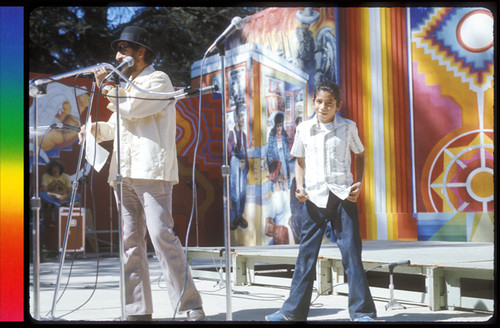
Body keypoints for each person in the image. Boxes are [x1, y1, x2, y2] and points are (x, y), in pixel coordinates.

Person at [78, 26, 204, 321]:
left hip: (151, 170)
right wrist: (97, 128)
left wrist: (107, 88)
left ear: (141, 52)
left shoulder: (157, 80)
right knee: (129, 242)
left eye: (123, 50)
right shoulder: (127, 85)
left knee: (161, 235)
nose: (117, 56)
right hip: (123, 173)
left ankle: (190, 305)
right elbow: (120, 123)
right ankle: (136, 310)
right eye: (117, 51)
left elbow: (133, 110)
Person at [265, 82, 377, 322]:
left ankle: (363, 312)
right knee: (306, 254)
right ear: (313, 102)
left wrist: (360, 182)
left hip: (343, 196)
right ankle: (291, 312)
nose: (323, 106)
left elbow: (360, 154)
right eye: (319, 101)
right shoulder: (304, 128)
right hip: (314, 198)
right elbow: (300, 161)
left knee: (351, 254)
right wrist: (300, 186)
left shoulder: (348, 128)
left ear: (338, 105)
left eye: (329, 103)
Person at [228, 104, 249, 230]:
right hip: (235, 160)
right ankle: (236, 217)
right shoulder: (232, 134)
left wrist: (247, 165)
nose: (242, 119)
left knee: (242, 191)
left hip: (242, 161)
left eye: (243, 116)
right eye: (241, 116)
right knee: (235, 191)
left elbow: (245, 150)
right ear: (236, 117)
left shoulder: (244, 134)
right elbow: (229, 150)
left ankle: (240, 216)